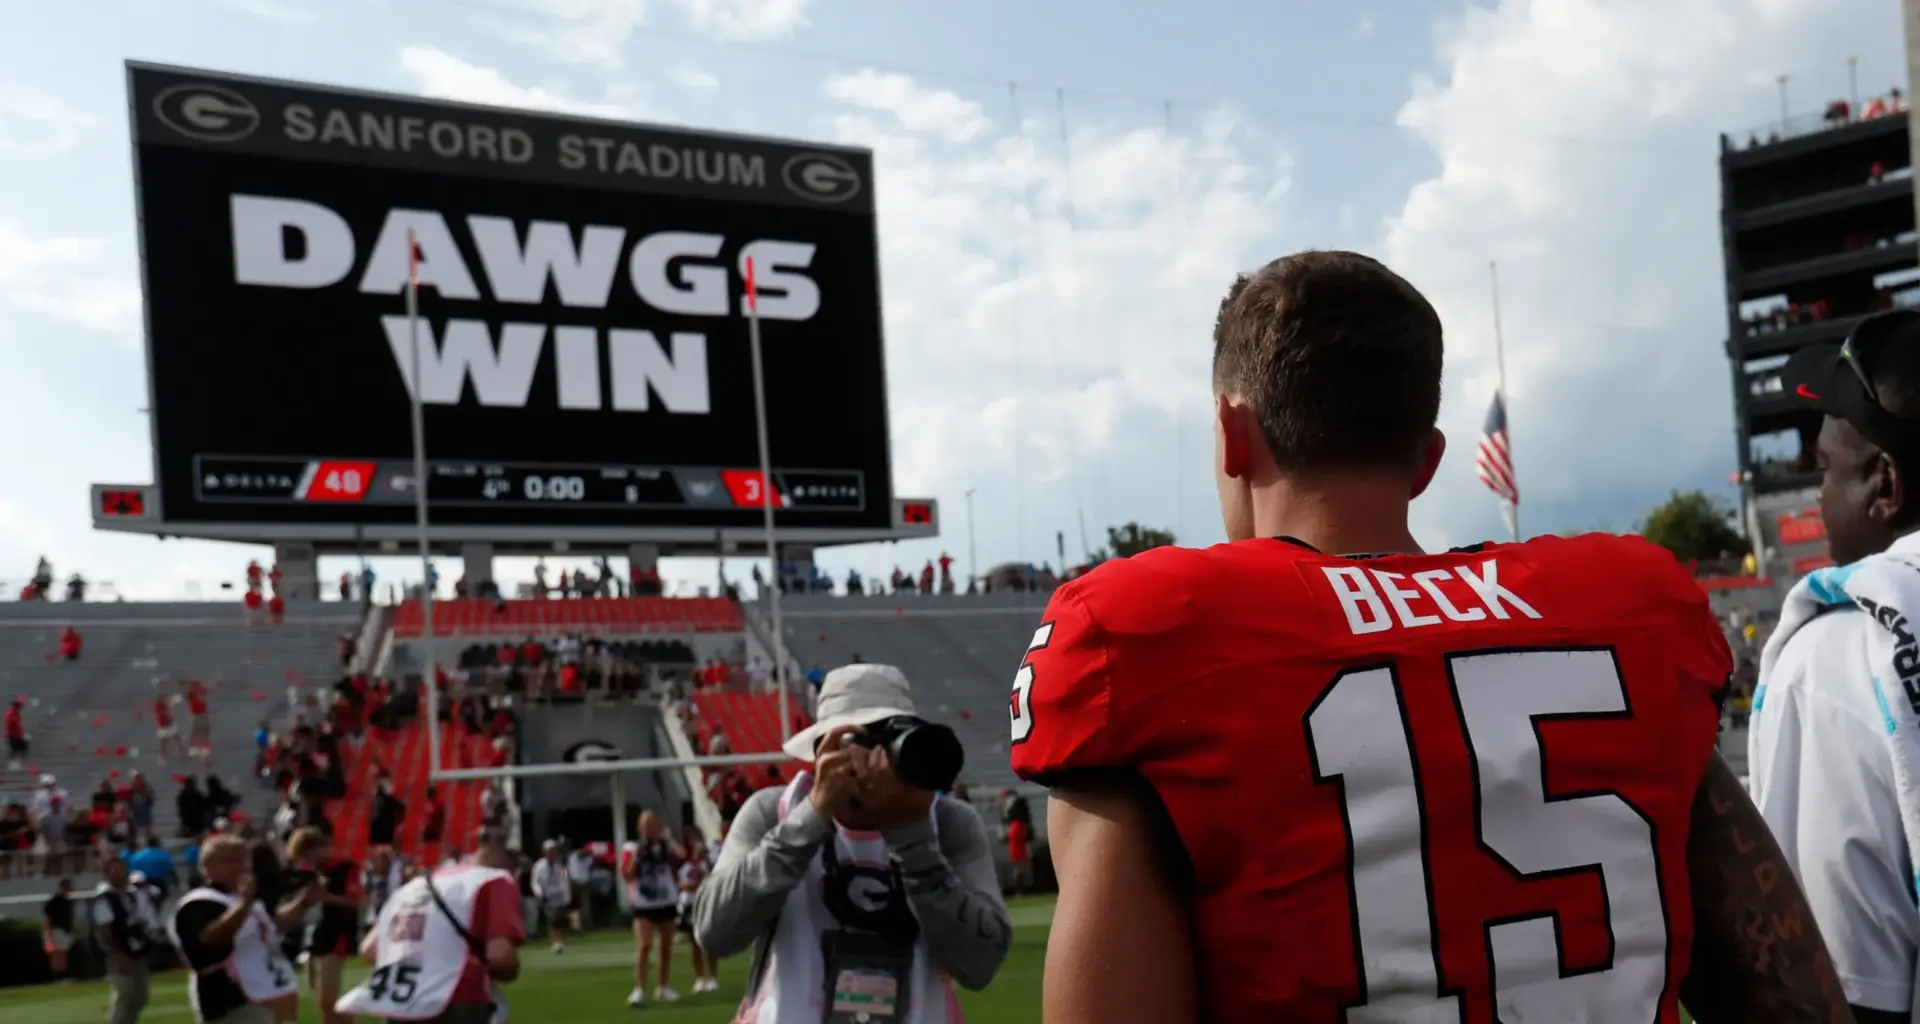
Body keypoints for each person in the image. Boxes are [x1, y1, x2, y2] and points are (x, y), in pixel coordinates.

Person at [1010, 250, 1852, 1022]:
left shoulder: (1148, 635)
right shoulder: (1626, 612)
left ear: (1233, 435)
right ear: (1429, 458)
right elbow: (1794, 1002)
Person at [1749, 308, 1920, 1022]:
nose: (1818, 500)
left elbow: (1842, 990)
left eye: (1826, 469)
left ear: (1884, 484)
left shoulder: (1839, 654)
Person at [694, 663, 1010, 1022]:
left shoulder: (949, 823)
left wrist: (911, 835)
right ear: (822, 747)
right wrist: (812, 816)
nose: (877, 760)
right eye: (863, 739)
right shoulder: (776, 813)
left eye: (889, 742)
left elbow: (980, 965)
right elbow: (714, 932)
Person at [336, 826, 525, 1024]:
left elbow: (369, 949)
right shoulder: (495, 880)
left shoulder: (413, 886)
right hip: (455, 998)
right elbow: (501, 956)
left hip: (399, 1005)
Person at [167, 835, 318, 1024]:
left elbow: (271, 925)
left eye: (243, 860)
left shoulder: (244, 898)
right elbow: (211, 938)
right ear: (207, 867)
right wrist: (244, 905)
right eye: (229, 861)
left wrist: (303, 902)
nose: (239, 866)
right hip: (230, 997)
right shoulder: (199, 902)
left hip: (265, 987)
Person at [287, 828, 360, 1024]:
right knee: (320, 998)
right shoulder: (313, 872)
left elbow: (356, 901)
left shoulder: (345, 868)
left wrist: (325, 897)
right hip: (315, 934)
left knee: (329, 999)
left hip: (337, 933)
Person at [621, 811, 684, 1007]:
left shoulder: (664, 843)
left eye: (654, 824)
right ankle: (639, 989)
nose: (651, 828)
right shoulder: (632, 847)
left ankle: (663, 987)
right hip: (644, 902)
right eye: (647, 825)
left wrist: (669, 838)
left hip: (665, 899)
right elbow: (627, 874)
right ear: (640, 827)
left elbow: (682, 855)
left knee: (666, 946)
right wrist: (637, 856)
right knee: (645, 945)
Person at [94, 854, 158, 1024]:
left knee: (140, 996)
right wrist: (118, 953)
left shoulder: (132, 894)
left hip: (136, 948)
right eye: (113, 870)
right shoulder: (105, 898)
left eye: (120, 868)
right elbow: (106, 929)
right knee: (125, 995)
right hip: (120, 950)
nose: (118, 873)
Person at [675, 830, 718, 994]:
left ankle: (713, 976)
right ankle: (700, 978)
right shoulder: (684, 863)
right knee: (694, 942)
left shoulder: (708, 861)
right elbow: (679, 882)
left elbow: (713, 877)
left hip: (706, 902)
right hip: (689, 904)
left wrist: (705, 859)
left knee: (709, 941)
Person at [529, 839, 571, 954]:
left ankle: (561, 941)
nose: (553, 853)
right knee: (552, 919)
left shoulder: (559, 865)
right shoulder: (539, 866)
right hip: (547, 896)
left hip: (559, 896)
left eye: (554, 850)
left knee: (561, 920)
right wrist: (539, 893)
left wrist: (566, 897)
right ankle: (554, 942)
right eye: (550, 851)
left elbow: (564, 880)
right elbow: (535, 882)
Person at [42, 877, 75, 981]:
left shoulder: (68, 901)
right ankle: (57, 977)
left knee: (63, 955)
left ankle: (63, 976)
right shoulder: (54, 901)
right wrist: (49, 932)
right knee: (57, 955)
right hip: (57, 930)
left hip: (66, 931)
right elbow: (47, 917)